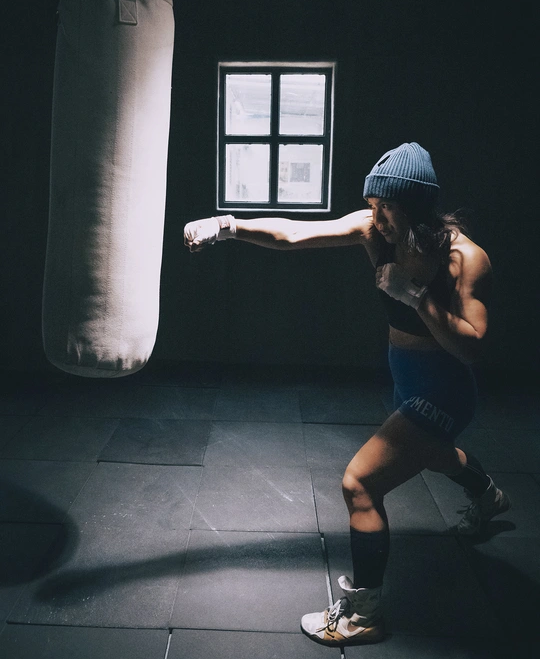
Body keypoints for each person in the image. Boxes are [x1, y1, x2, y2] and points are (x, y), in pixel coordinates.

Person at [183, 141, 510, 648]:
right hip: (407, 378)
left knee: (360, 483)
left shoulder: (466, 258)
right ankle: (487, 495)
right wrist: (227, 225)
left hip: (444, 389)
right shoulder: (373, 230)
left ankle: (365, 615)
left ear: (416, 205)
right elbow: (293, 234)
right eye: (372, 205)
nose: (377, 218)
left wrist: (416, 297)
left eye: (388, 206)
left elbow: (471, 348)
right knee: (434, 454)